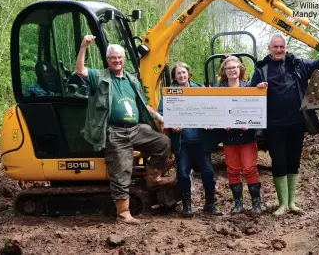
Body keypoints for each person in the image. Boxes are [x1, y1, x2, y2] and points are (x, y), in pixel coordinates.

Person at [76, 35, 175, 224]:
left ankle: (152, 177)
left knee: (163, 142)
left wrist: (160, 118)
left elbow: (144, 105)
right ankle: (123, 214)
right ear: (108, 60)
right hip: (116, 132)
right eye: (113, 58)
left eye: (120, 57)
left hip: (136, 129)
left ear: (123, 59)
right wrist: (83, 47)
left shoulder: (131, 80)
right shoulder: (100, 77)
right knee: (121, 171)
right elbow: (80, 71)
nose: (117, 60)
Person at [250, 34, 319, 216]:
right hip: (273, 125)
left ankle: (292, 202)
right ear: (269, 48)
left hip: (296, 122)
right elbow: (250, 93)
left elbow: (318, 64)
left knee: (293, 160)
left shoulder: (297, 64)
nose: (279, 50)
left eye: (282, 47)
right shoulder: (261, 69)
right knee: (279, 161)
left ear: (286, 48)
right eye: (275, 47)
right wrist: (258, 88)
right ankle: (282, 204)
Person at [158, 62, 222, 217]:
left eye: (184, 72)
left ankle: (210, 205)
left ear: (189, 73)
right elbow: (161, 115)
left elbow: (211, 110)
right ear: (174, 76)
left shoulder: (199, 90)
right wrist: (171, 124)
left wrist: (209, 123)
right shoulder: (169, 93)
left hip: (200, 142)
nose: (181, 75)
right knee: (183, 174)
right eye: (178, 73)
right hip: (182, 142)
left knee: (208, 173)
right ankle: (187, 207)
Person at [217, 56, 262, 214]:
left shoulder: (249, 88)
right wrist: (222, 122)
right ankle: (238, 204)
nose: (232, 70)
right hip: (228, 136)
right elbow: (214, 112)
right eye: (228, 68)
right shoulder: (217, 90)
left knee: (250, 168)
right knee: (233, 170)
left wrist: (249, 122)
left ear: (240, 69)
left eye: (235, 67)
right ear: (224, 71)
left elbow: (256, 111)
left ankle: (256, 203)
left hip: (246, 135)